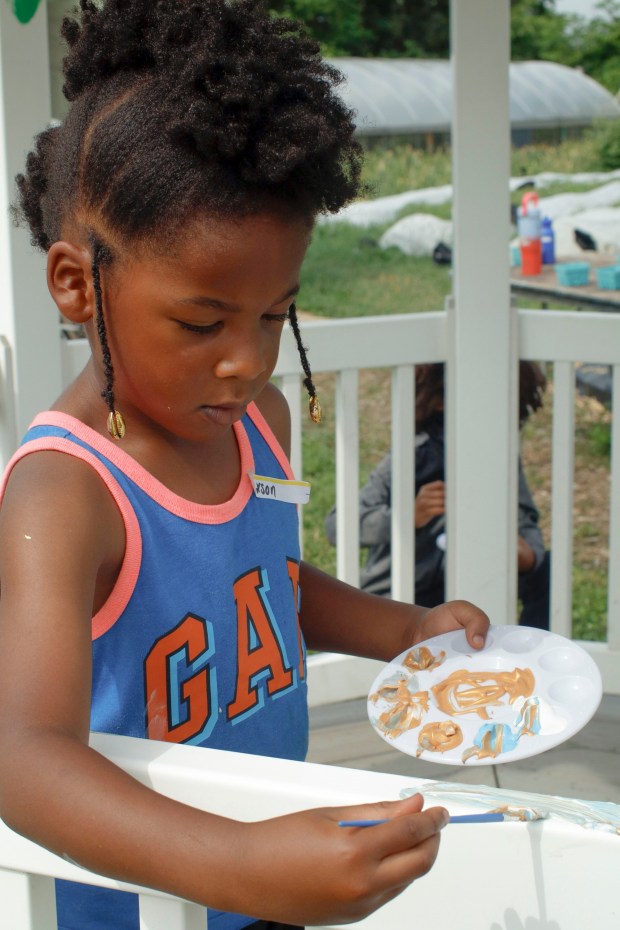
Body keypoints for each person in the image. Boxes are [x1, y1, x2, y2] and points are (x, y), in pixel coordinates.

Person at [0, 3, 490, 930]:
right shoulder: (65, 492)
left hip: (271, 867)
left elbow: (267, 589)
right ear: (76, 283)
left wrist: (405, 626)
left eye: (276, 315)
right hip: (147, 903)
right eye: (201, 322)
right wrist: (235, 865)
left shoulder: (255, 423)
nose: (247, 360)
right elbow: (21, 754)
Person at [325, 362, 550, 630]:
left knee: (548, 570)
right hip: (398, 598)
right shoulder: (415, 453)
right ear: (439, 401)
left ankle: (529, 655)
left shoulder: (499, 457)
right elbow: (336, 526)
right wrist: (409, 515)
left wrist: (528, 556)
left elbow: (527, 526)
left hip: (469, 597)